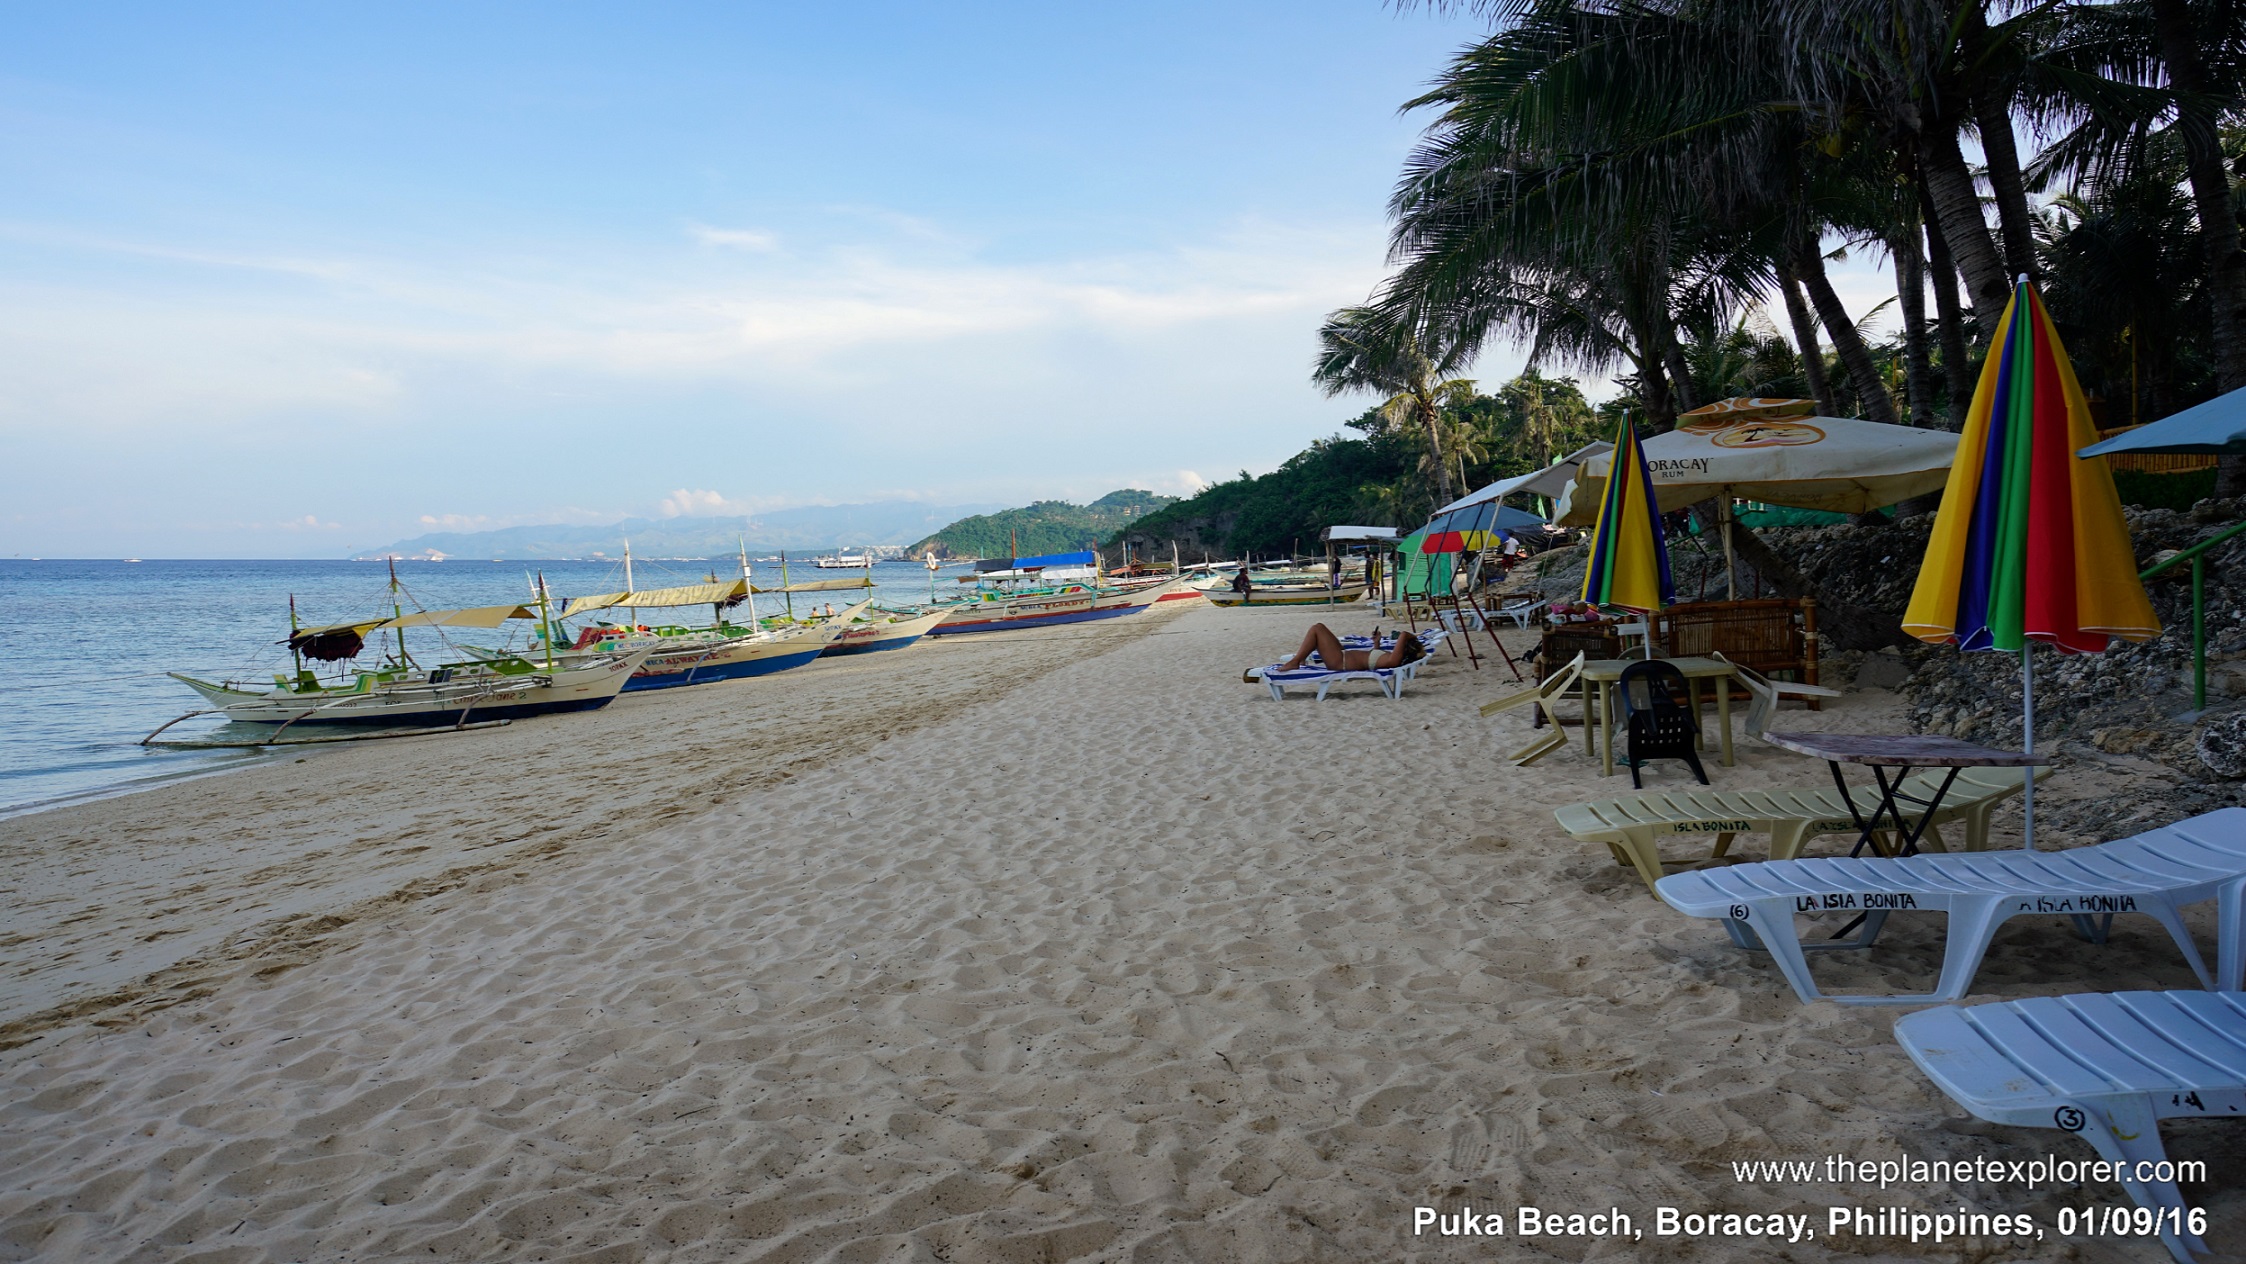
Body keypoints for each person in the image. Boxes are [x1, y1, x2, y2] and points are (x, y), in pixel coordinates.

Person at [1277, 623, 1425, 673]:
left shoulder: (1393, 660)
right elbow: (1373, 658)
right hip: (1342, 655)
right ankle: (1300, 659)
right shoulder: (1390, 658)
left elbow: (1404, 634)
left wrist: (1415, 638)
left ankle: (1297, 660)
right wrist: (1377, 642)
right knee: (1319, 627)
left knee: (1317, 629)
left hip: (1340, 662)